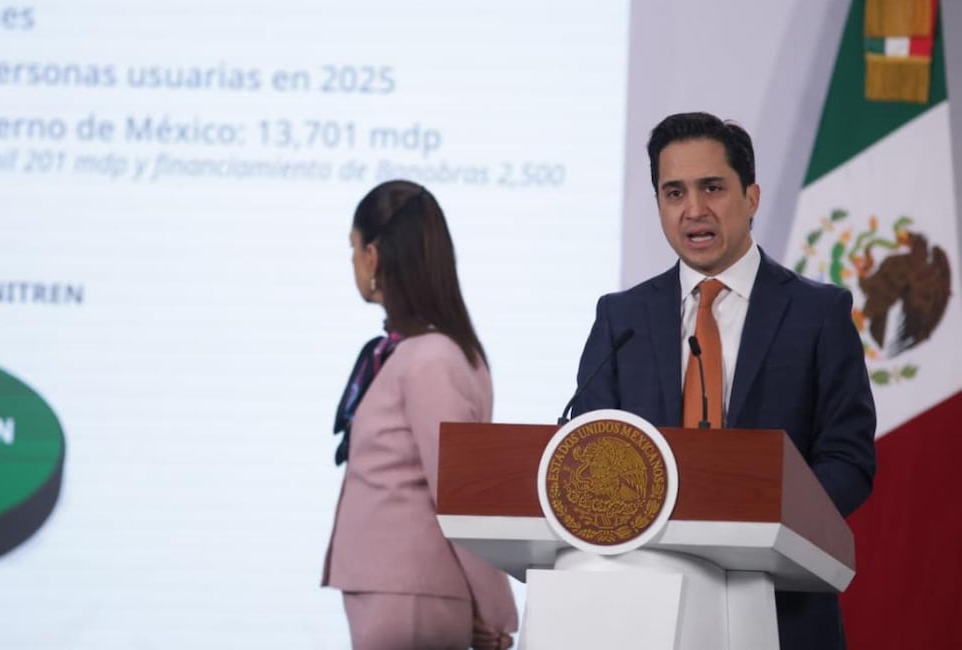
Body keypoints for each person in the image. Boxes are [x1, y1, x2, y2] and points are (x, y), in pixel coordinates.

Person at [572, 112, 876, 650]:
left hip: (782, 605)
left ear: (751, 197)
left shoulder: (818, 313)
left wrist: (765, 524)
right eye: (674, 192)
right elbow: (593, 451)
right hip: (644, 608)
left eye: (712, 187)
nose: (694, 210)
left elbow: (848, 459)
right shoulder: (621, 318)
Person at [323, 180, 518, 650]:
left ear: (374, 255)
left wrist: (494, 611)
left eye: (352, 248)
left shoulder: (430, 359)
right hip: (394, 587)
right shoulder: (419, 352)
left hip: (408, 590)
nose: (352, 262)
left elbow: (456, 493)